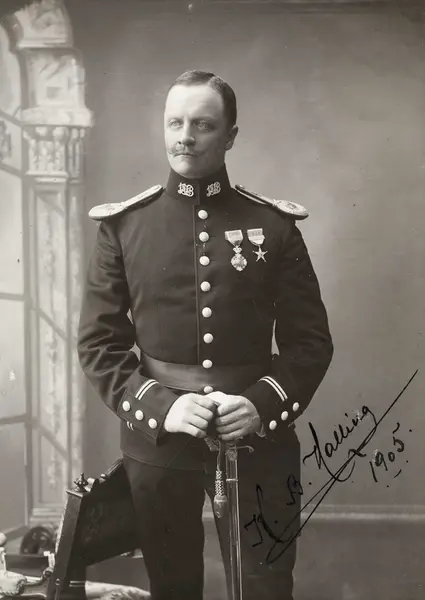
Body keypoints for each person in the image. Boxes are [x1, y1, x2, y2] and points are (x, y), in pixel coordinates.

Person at [77, 70, 333, 600]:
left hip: (258, 439)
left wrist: (262, 403)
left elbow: (311, 342)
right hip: (160, 442)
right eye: (175, 123)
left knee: (266, 585)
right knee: (172, 585)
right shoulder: (124, 227)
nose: (185, 137)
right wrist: (162, 406)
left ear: (230, 136)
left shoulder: (276, 227)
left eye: (202, 125)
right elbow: (99, 345)